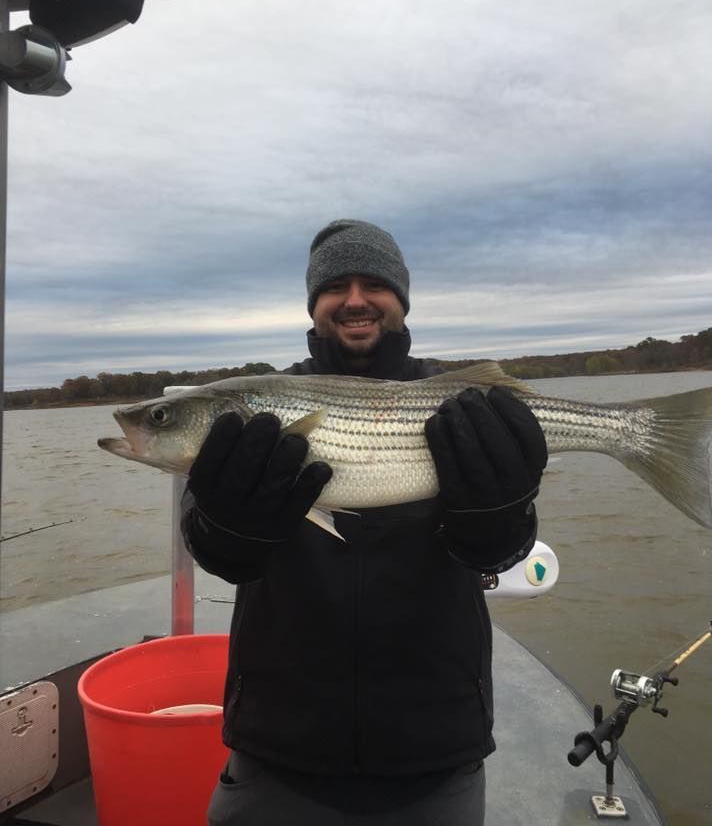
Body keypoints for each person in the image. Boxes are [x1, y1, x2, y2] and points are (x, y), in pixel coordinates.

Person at [181, 219, 547, 825]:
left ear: (400, 299)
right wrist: (231, 529)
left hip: (435, 748)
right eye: (335, 287)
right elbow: (212, 549)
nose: (354, 300)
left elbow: (502, 554)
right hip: (278, 748)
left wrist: (500, 517)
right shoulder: (257, 408)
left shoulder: (466, 406)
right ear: (313, 304)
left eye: (373, 283)